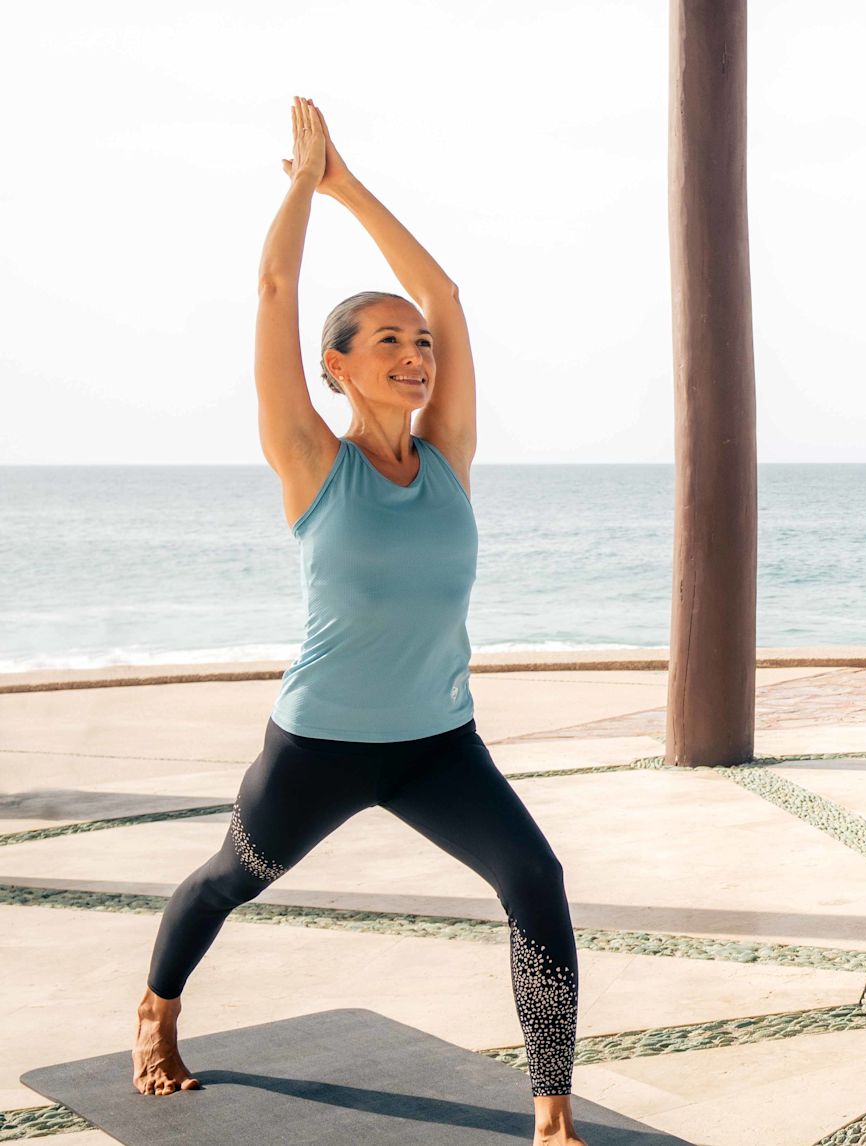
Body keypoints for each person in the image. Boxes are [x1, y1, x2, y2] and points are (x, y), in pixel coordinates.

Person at [132, 99, 585, 1146]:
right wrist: (301, 184)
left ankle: (550, 1113)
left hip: (439, 746)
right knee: (228, 880)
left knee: (537, 879)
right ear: (337, 365)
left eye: (419, 345)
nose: (415, 353)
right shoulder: (309, 463)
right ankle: (158, 1008)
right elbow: (277, 289)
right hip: (319, 747)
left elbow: (448, 293)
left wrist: (351, 186)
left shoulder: (449, 456)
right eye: (388, 342)